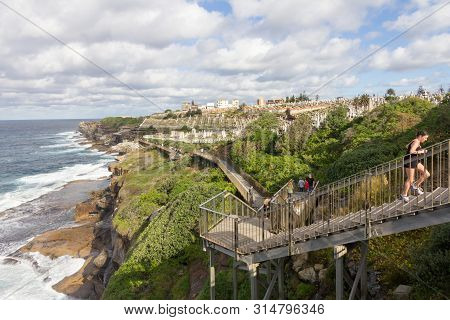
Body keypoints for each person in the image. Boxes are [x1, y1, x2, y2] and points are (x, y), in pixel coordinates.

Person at [400, 130, 430, 202]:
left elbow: (407, 146)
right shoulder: (416, 141)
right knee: (410, 179)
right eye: (425, 138)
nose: (426, 140)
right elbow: (411, 151)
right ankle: (404, 195)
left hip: (415, 160)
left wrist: (418, 149)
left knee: (426, 174)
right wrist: (421, 151)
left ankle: (416, 185)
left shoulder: (415, 141)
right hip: (410, 161)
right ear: (420, 136)